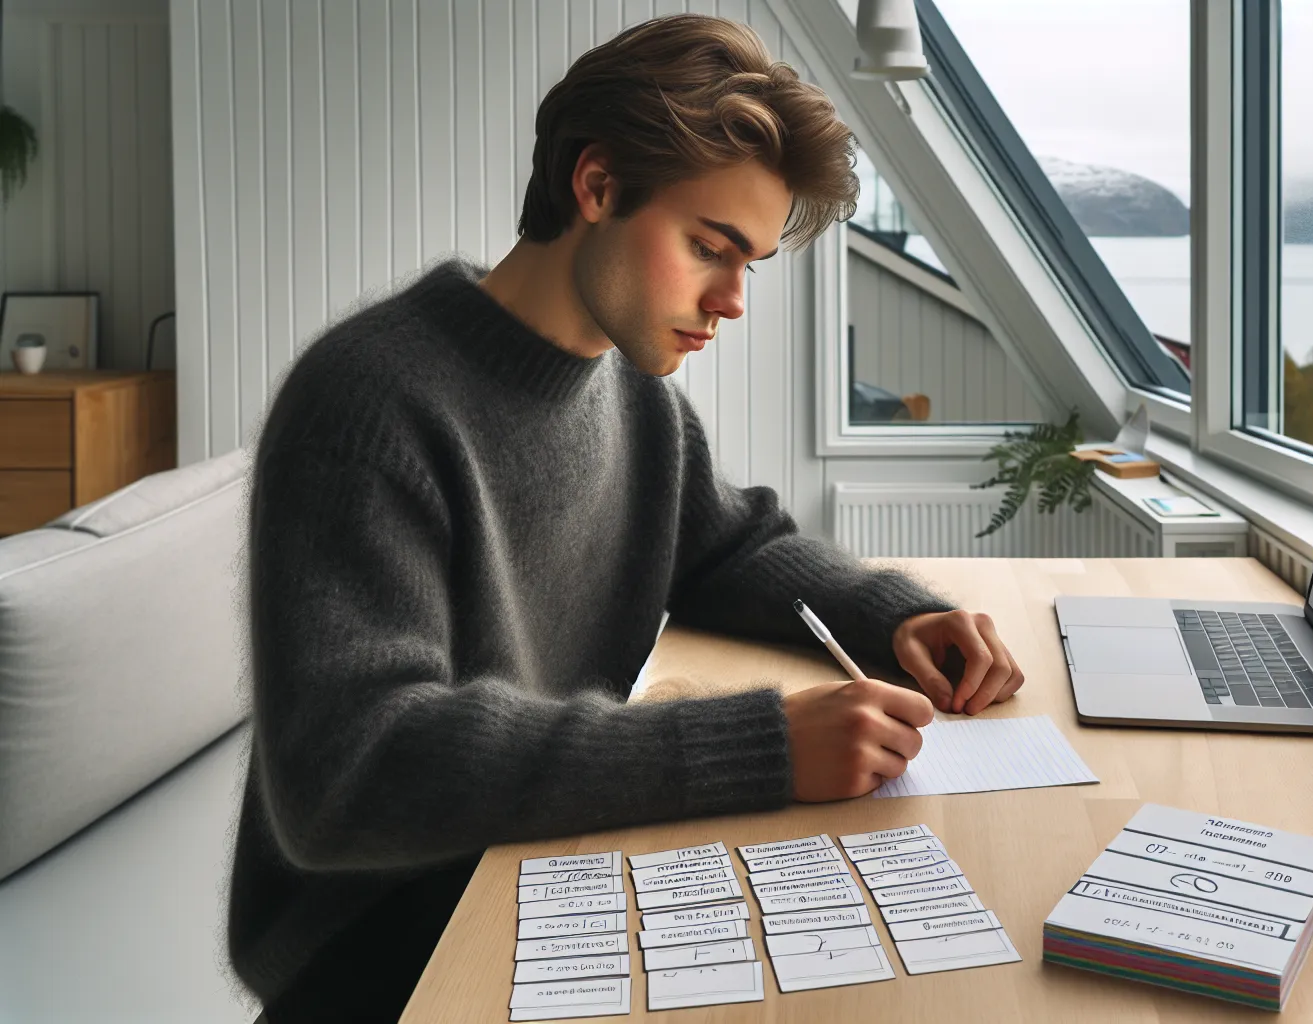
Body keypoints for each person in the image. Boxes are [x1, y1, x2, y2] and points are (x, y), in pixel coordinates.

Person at [230, 14, 1026, 1023]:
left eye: (748, 263)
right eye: (709, 247)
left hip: (536, 870)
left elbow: (732, 547)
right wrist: (763, 746)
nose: (732, 301)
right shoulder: (368, 406)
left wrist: (893, 615)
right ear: (598, 185)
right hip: (389, 950)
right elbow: (352, 771)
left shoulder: (632, 398)